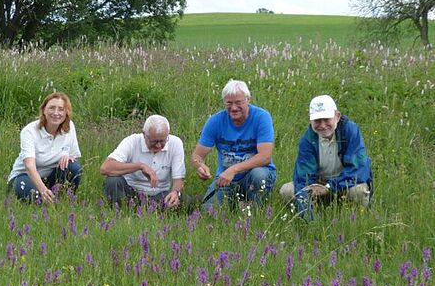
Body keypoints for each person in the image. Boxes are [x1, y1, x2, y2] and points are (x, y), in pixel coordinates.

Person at [279, 95, 372, 218]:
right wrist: (309, 219)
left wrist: (330, 187)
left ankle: (355, 219)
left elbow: (359, 169)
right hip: (318, 184)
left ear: (337, 117)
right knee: (287, 191)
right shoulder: (307, 140)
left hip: (345, 183)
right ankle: (313, 213)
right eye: (317, 120)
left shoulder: (350, 131)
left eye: (327, 119)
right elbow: (303, 178)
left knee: (359, 191)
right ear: (310, 121)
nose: (322, 125)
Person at [191, 79, 276, 208]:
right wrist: (200, 167)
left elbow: (265, 157)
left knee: (259, 175)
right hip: (225, 179)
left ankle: (255, 209)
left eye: (238, 103)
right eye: (229, 103)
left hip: (253, 175)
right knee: (209, 211)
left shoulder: (261, 117)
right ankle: (236, 205)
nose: (234, 108)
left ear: (248, 100)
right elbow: (196, 156)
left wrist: (233, 170)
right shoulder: (215, 121)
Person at [8, 92, 82, 203]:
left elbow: (74, 155)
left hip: (51, 176)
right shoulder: (29, 131)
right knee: (35, 197)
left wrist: (68, 156)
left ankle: (64, 200)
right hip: (25, 176)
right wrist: (43, 190)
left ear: (66, 112)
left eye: (61, 109)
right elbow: (29, 166)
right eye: (52, 108)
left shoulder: (70, 127)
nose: (56, 113)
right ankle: (44, 199)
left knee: (74, 168)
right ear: (44, 110)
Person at [100, 115, 187, 209]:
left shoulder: (176, 143)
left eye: (162, 141)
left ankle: (146, 210)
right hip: (130, 192)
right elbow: (106, 168)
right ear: (144, 134)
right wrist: (140, 166)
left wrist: (175, 192)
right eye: (154, 142)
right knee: (112, 181)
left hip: (160, 195)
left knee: (186, 201)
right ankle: (124, 209)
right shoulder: (132, 141)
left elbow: (178, 180)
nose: (158, 146)